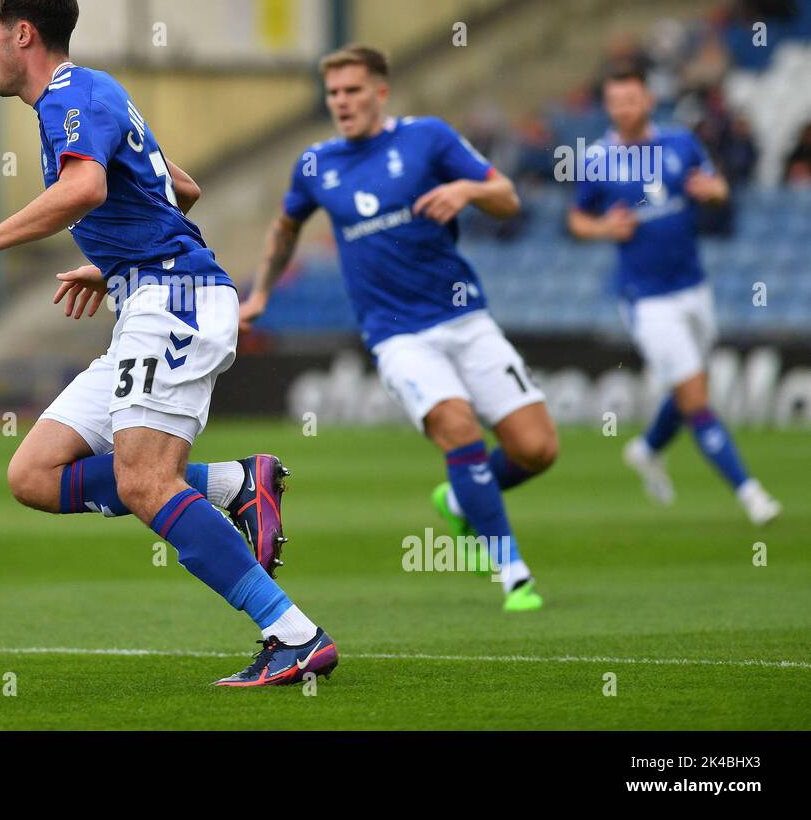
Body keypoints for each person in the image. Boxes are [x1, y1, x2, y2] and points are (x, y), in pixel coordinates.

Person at [0, 0, 337, 686]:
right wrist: (113, 261)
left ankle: (294, 636)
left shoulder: (68, 98)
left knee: (146, 482)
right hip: (147, 293)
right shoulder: (93, 94)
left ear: (24, 34)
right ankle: (238, 485)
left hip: (173, 300)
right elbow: (181, 188)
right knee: (34, 474)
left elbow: (86, 188)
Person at [241, 44, 558, 611]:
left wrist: (468, 190)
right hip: (396, 335)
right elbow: (285, 227)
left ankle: (462, 501)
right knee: (459, 427)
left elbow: (508, 198)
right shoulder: (316, 164)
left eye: (353, 90)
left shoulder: (428, 138)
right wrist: (262, 291)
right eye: (334, 93)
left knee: (537, 449)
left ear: (381, 92)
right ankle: (514, 574)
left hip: (465, 317)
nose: (342, 102)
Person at [567, 65, 781, 525]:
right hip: (647, 298)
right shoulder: (598, 159)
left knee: (689, 387)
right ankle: (751, 494)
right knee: (696, 397)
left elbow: (719, 187)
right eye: (616, 102)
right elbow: (577, 220)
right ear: (609, 108)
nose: (625, 109)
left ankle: (647, 449)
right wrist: (604, 227)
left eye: (632, 99)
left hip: (694, 286)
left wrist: (715, 191)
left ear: (647, 100)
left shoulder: (681, 143)